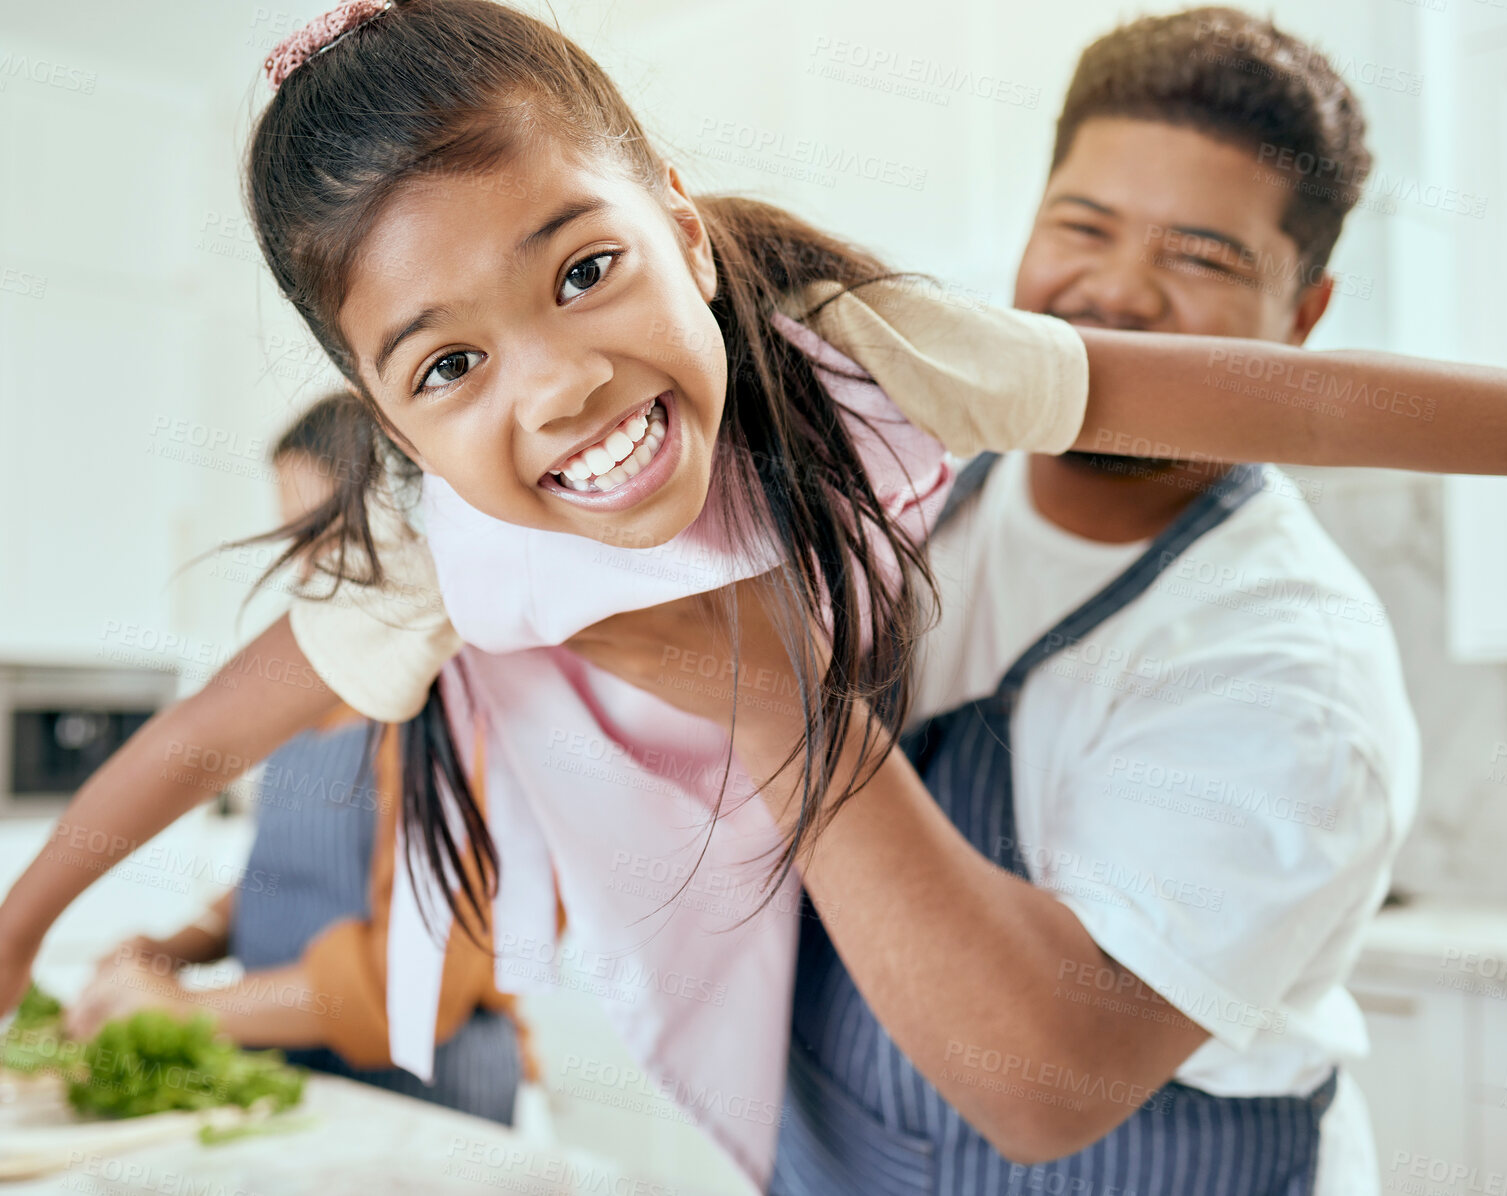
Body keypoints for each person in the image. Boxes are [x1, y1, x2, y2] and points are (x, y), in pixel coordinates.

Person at [0, 1, 1507, 1191]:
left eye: (585, 270)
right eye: (447, 363)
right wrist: (11, 926)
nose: (561, 386)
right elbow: (223, 724)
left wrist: (758, 681)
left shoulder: (883, 356)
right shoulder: (450, 535)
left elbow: (1295, 402)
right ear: (391, 416)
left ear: (681, 227)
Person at [582, 8, 1415, 1192]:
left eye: (1201, 256)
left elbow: (1044, 1081)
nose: (1115, 291)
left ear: (1306, 318)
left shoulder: (1289, 659)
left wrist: (776, 696)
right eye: (1082, 226)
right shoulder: (903, 480)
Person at [63, 393, 528, 1125]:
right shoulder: (307, 700)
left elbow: (414, 977)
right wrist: (176, 950)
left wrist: (183, 1008)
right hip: (298, 1077)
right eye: (293, 538)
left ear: (403, 516)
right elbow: (287, 878)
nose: (308, 567)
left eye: (323, 532)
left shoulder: (453, 710)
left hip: (427, 1097)